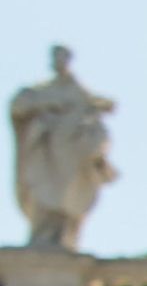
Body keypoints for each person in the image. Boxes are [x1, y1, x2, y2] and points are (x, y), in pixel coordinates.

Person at [9, 44, 117, 250]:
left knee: (67, 198)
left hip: (67, 156)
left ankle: (61, 237)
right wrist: (43, 105)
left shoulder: (78, 92)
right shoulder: (42, 91)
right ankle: (45, 237)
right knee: (43, 193)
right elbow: (19, 106)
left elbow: (102, 105)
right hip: (46, 156)